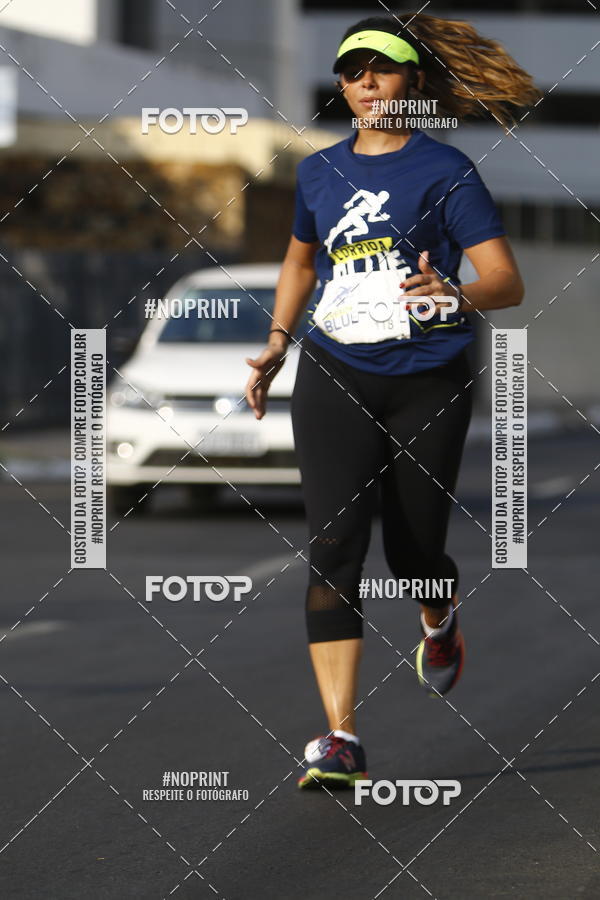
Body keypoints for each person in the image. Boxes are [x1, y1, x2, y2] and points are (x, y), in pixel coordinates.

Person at [244, 13, 540, 790]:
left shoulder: (446, 171)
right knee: (335, 548)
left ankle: (438, 618)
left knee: (413, 555)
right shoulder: (318, 172)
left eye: (381, 67)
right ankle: (340, 738)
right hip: (335, 370)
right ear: (341, 87)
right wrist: (277, 342)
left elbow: (506, 281)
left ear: (413, 81)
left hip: (427, 379)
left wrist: (455, 293)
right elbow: (300, 262)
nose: (366, 81)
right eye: (352, 70)